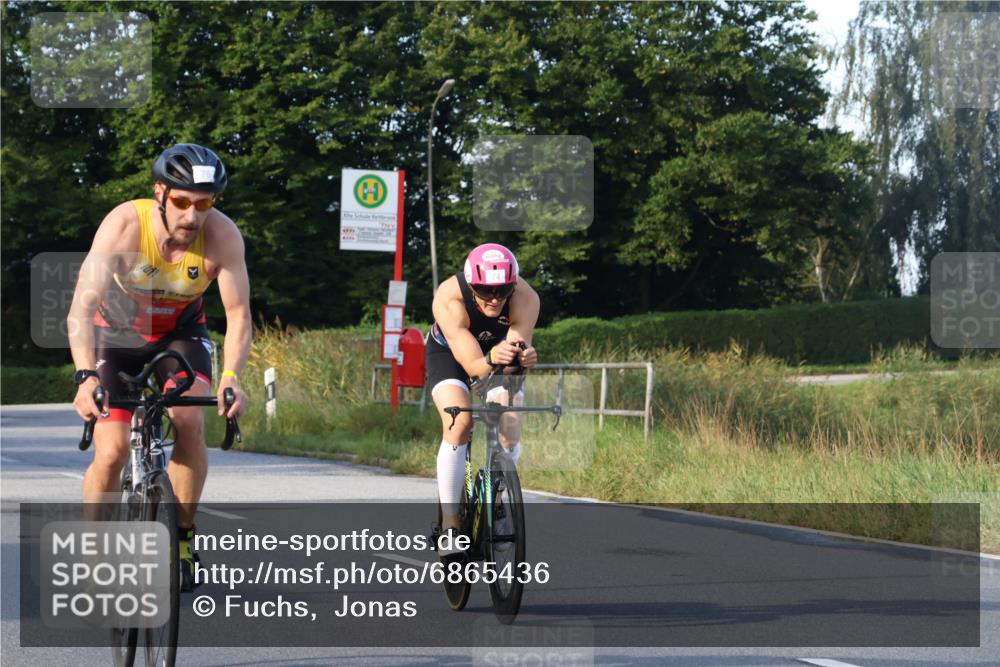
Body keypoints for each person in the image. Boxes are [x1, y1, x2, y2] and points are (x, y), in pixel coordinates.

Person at [67, 143, 251, 591]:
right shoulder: (125, 226)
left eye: (204, 203)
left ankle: (183, 539)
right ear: (161, 193)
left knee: (188, 420)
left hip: (180, 333)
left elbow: (239, 314)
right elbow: (81, 307)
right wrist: (86, 376)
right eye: (183, 202)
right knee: (111, 451)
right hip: (117, 335)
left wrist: (231, 378)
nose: (192, 215)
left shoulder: (223, 237)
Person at [425, 243, 539, 554]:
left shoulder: (526, 299)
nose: (494, 298)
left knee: (510, 425)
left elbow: (511, 365)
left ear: (512, 285)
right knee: (459, 423)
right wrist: (491, 358)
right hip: (449, 355)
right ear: (471, 285)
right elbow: (474, 367)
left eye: (502, 291)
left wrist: (523, 358)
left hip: (497, 353)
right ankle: (450, 524)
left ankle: (497, 501)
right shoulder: (449, 298)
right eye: (485, 290)